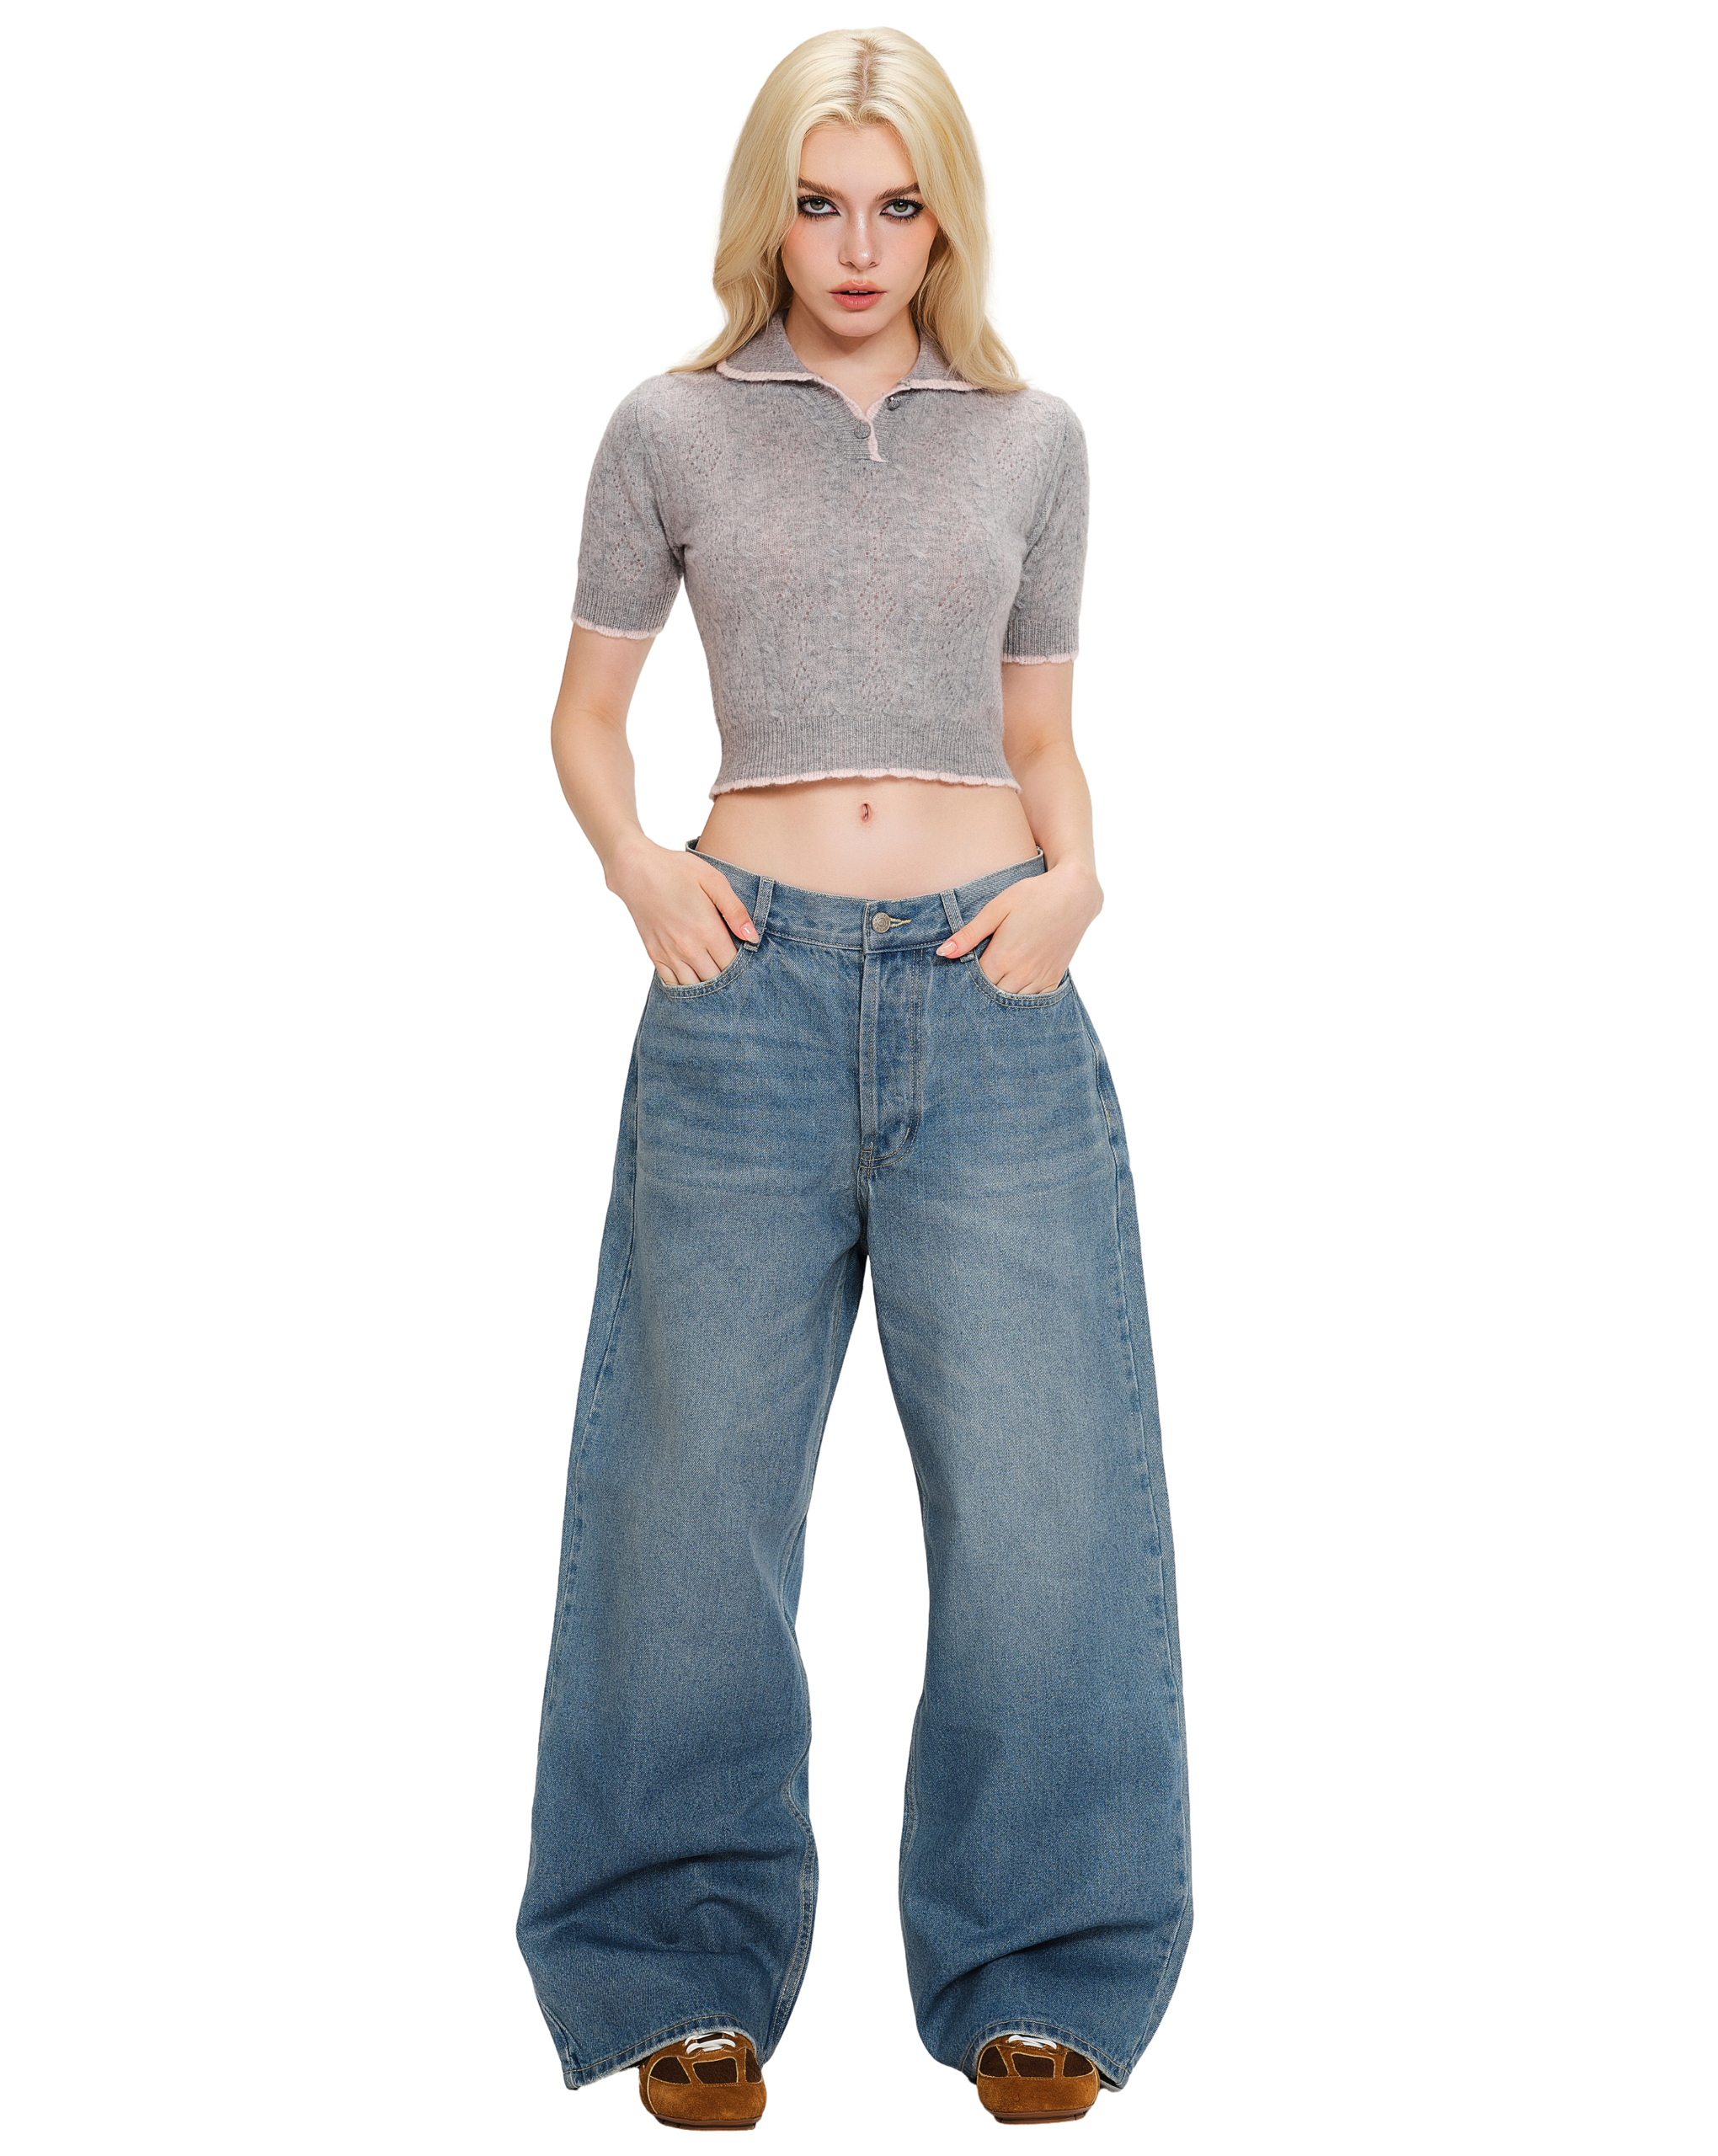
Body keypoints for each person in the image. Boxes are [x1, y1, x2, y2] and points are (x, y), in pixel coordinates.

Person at [516, 26, 1190, 2131]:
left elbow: (1044, 728)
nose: (860, 245)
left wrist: (1081, 879)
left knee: (1050, 1496)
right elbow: (584, 716)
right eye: (820, 202)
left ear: (949, 219)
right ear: (768, 212)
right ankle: (675, 1968)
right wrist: (641, 871)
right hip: (744, 991)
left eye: (899, 205)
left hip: (996, 988)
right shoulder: (669, 427)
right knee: (687, 1498)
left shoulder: (1033, 438)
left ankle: (1043, 1970)